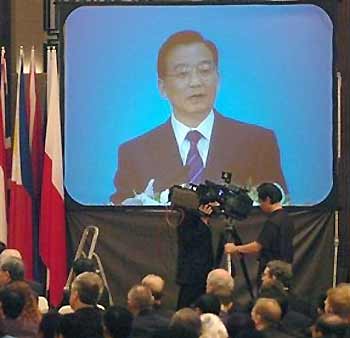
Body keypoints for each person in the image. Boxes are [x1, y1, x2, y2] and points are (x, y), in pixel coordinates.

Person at [110, 30, 287, 205]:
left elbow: (278, 211)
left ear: (217, 78)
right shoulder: (134, 154)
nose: (196, 82)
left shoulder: (258, 143)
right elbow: (121, 222)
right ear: (162, 87)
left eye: (204, 70)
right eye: (182, 73)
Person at [224, 182, 294, 288]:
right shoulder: (287, 218)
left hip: (271, 271)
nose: (260, 205)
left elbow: (257, 246)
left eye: (260, 201)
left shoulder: (273, 222)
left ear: (268, 199)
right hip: (285, 269)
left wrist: (235, 248)